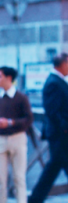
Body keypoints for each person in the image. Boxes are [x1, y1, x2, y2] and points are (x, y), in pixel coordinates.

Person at [28, 53, 68, 203]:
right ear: (62, 64)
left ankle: (35, 200)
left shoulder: (57, 81)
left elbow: (62, 107)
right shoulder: (54, 83)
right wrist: (66, 130)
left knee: (54, 170)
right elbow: (52, 111)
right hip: (62, 137)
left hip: (62, 136)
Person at [0, 67, 33, 203]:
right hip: (1, 140)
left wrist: (10, 122)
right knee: (1, 179)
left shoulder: (21, 98)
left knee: (19, 177)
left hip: (18, 138)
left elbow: (28, 119)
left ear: (9, 78)